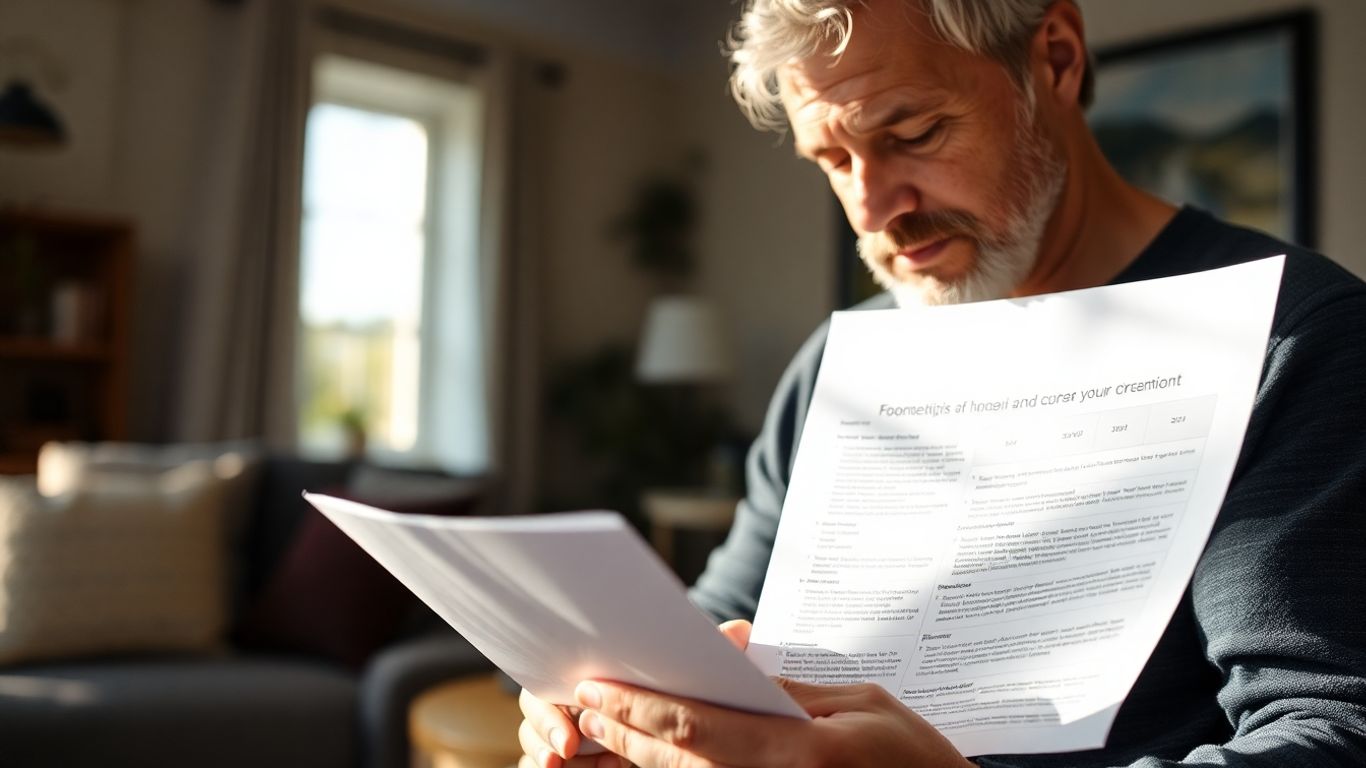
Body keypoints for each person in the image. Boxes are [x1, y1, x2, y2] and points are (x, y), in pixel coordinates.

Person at [518, 1, 1366, 766]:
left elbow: (1332, 733)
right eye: (832, 158)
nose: (872, 206)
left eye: (913, 133)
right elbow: (725, 621)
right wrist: (617, 699)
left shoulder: (1295, 339)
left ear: (1058, 60)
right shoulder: (840, 365)